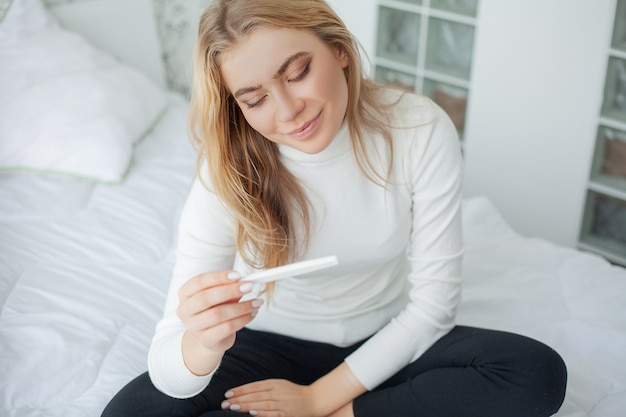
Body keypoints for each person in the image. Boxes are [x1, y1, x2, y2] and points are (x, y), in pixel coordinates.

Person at [102, 0, 567, 416]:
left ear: (339, 50)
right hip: (266, 344)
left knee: (533, 373)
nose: (287, 112)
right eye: (256, 99)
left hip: (387, 339)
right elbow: (168, 365)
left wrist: (316, 401)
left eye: (298, 72)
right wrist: (202, 343)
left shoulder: (418, 129)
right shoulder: (227, 170)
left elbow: (432, 309)